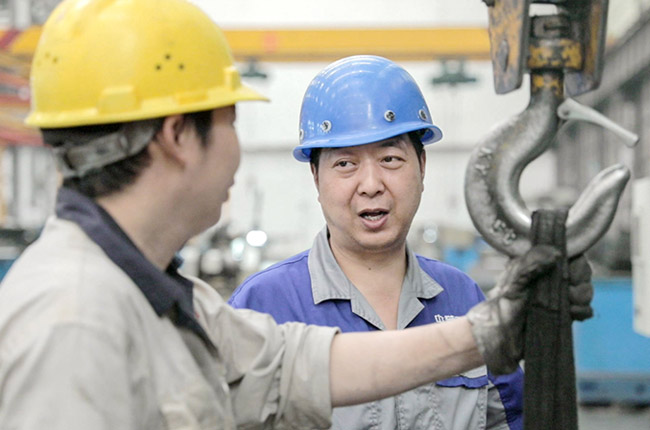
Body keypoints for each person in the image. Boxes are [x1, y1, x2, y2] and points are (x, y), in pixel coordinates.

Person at [0, 1, 580, 428]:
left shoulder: (162, 299)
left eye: (390, 158)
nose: (238, 147)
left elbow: (294, 368)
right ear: (178, 136)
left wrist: (490, 329)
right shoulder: (73, 321)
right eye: (230, 119)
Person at [229, 55, 594, 429]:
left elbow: (515, 419)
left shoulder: (463, 298)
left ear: (422, 166)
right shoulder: (261, 306)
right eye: (345, 164)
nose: (371, 185)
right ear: (315, 177)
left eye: (390, 159)